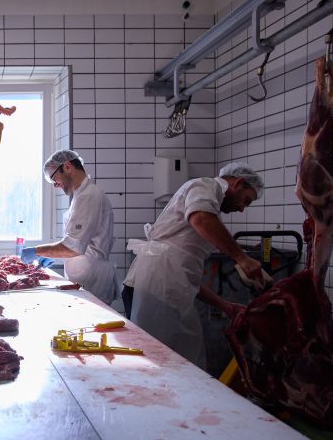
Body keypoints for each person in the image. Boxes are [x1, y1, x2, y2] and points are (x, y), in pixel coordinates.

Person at [122, 162, 273, 369]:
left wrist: (224, 305)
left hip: (165, 288)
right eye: (246, 200)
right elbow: (200, 218)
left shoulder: (209, 209)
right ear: (239, 183)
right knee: (159, 361)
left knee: (182, 359)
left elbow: (187, 277)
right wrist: (242, 258)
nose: (241, 209)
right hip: (155, 289)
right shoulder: (204, 186)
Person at [20, 150, 119, 305]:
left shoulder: (89, 196)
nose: (55, 185)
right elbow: (78, 242)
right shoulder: (80, 196)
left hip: (93, 281)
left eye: (53, 178)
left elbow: (74, 247)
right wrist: (54, 254)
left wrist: (37, 251)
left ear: (67, 167)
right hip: (84, 278)